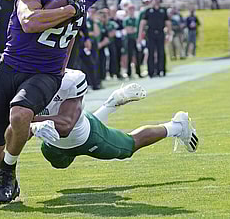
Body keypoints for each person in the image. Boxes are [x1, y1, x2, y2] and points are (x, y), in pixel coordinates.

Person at [0, 0, 99, 204]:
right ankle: (8, 177)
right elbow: (29, 22)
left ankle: (9, 170)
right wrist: (68, 10)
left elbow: (71, 34)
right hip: (10, 66)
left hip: (46, 72)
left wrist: (60, 67)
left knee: (21, 115)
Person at [29, 69, 198, 172]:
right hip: (53, 143)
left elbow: (66, 124)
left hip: (88, 136)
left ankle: (177, 126)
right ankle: (112, 103)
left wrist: (32, 121)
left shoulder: (70, 79)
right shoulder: (21, 84)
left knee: (129, 146)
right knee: (59, 164)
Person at [138, 0, 171, 77]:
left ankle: (161, 70)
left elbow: (167, 23)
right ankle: (151, 71)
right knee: (151, 52)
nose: (156, 1)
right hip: (150, 33)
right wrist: (140, 35)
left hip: (160, 32)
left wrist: (169, 34)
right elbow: (143, 23)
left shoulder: (163, 10)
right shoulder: (148, 10)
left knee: (161, 52)